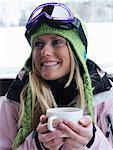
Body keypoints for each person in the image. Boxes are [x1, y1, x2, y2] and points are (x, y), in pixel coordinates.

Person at [0, 2, 113, 150]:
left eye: (57, 42)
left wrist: (92, 142)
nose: (45, 52)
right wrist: (37, 145)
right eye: (38, 44)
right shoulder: (16, 100)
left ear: (77, 53)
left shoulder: (105, 98)